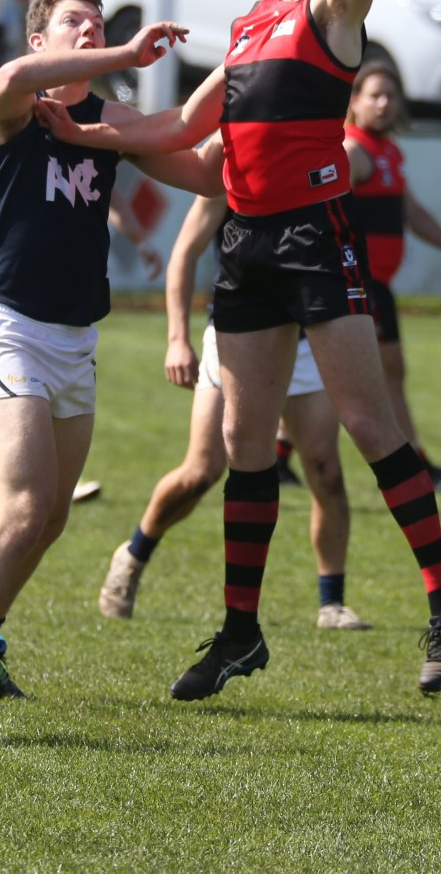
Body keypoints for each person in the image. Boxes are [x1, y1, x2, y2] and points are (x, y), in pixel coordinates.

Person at [40, 0, 441, 698]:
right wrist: (85, 127)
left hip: (314, 236)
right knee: (243, 450)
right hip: (244, 244)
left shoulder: (335, 14)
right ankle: (241, 630)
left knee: (369, 424)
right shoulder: (249, 28)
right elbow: (180, 136)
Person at [0, 0, 223, 709]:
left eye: (95, 21)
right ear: (37, 42)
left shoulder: (106, 118)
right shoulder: (14, 105)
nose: (88, 28)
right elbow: (3, 83)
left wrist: (247, 70)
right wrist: (123, 51)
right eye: (71, 23)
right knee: (21, 507)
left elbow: (193, 151)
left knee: (50, 516)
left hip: (76, 338)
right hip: (8, 327)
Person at [99, 180, 368, 631]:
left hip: (306, 338)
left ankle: (332, 603)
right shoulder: (232, 164)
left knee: (325, 470)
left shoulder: (320, 158)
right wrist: (177, 340)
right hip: (238, 335)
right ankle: (134, 553)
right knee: (202, 472)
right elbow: (184, 253)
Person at [0, 150, 153, 503]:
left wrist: (139, 240)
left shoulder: (85, 134)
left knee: (17, 395)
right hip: (10, 302)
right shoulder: (8, 131)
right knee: (13, 393)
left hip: (66, 311)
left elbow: (106, 193)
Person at [342, 63, 441, 492]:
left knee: (367, 374)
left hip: (377, 284)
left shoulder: (387, 151)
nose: (384, 103)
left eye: (391, 95)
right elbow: (323, 209)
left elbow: (411, 212)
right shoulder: (354, 152)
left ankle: (280, 455)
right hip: (360, 283)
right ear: (354, 102)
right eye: (374, 95)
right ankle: (416, 467)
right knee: (380, 375)